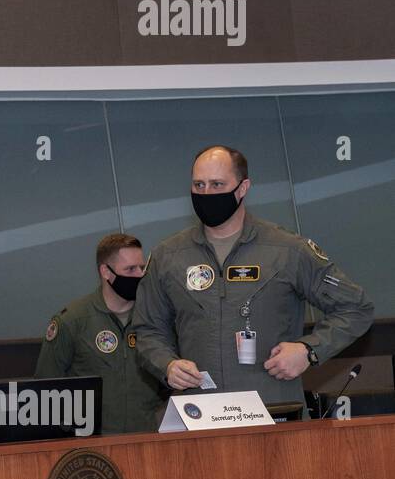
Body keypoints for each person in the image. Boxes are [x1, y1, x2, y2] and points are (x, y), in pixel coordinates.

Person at [133, 145, 372, 409]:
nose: (206, 193)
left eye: (217, 184)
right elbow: (147, 329)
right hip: (200, 414)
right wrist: (167, 364)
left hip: (273, 411)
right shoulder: (169, 256)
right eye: (199, 185)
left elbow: (356, 307)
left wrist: (310, 350)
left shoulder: (287, 250)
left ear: (243, 188)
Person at [36, 233, 166, 433]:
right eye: (130, 269)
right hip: (92, 448)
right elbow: (45, 391)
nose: (139, 275)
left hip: (146, 441)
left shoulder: (155, 318)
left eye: (142, 267)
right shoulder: (73, 321)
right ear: (106, 272)